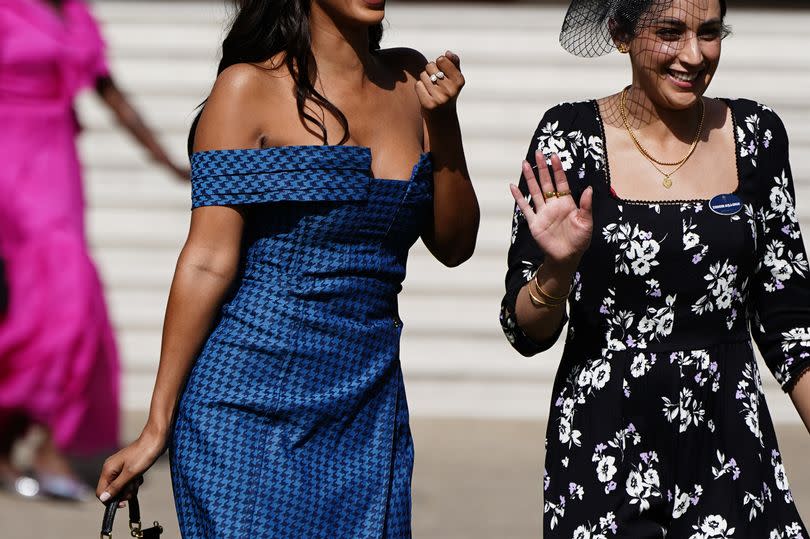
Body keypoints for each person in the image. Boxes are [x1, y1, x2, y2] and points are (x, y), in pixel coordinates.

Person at [96, 0, 479, 535]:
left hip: (367, 409)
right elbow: (207, 260)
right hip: (244, 412)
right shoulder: (246, 89)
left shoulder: (413, 78)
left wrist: (443, 122)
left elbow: (456, 244)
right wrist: (157, 425)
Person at [501, 0, 810, 536]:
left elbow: (791, 322)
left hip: (731, 453)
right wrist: (558, 269)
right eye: (670, 32)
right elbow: (525, 330)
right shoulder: (568, 137)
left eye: (709, 33)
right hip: (605, 452)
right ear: (622, 34)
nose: (694, 55)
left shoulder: (757, 135)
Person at [0, 0, 188, 501]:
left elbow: (109, 93)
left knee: (66, 301)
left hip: (55, 158)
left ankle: (38, 438)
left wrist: (167, 160)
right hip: (8, 161)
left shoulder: (75, 13)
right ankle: (27, 443)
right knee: (43, 299)